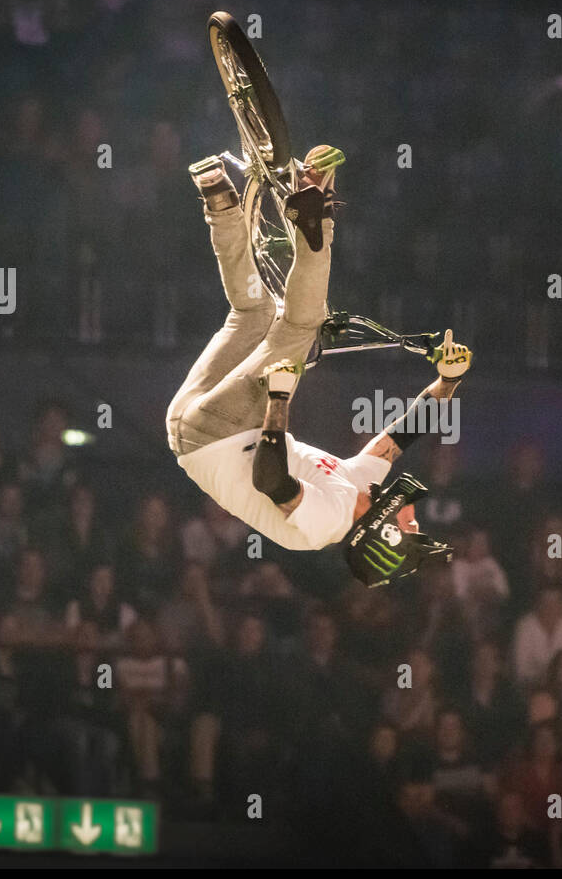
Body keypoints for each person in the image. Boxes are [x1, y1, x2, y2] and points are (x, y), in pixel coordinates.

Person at [164, 147, 470, 586]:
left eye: (412, 530)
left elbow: (271, 480)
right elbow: (404, 433)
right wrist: (447, 382)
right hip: (193, 430)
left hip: (224, 432)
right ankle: (217, 196)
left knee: (306, 320)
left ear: (386, 533)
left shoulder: (326, 525)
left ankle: (316, 212)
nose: (416, 521)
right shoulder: (358, 488)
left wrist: (278, 398)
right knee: (253, 312)